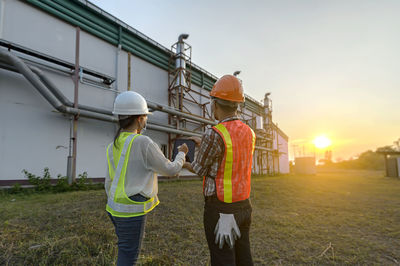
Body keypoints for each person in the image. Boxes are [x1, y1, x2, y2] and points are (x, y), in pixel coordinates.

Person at [105, 91, 188, 266]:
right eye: (145, 116)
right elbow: (170, 169)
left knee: (125, 250)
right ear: (139, 118)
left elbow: (109, 180)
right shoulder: (143, 142)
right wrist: (181, 154)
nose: (145, 120)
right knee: (129, 257)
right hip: (131, 209)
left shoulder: (113, 145)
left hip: (114, 207)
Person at [184, 75, 256, 266]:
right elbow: (230, 153)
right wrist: (204, 143)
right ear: (237, 105)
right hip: (244, 206)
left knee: (222, 260)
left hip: (221, 209)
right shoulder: (249, 132)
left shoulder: (214, 133)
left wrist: (182, 160)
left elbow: (199, 169)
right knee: (243, 258)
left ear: (214, 104)